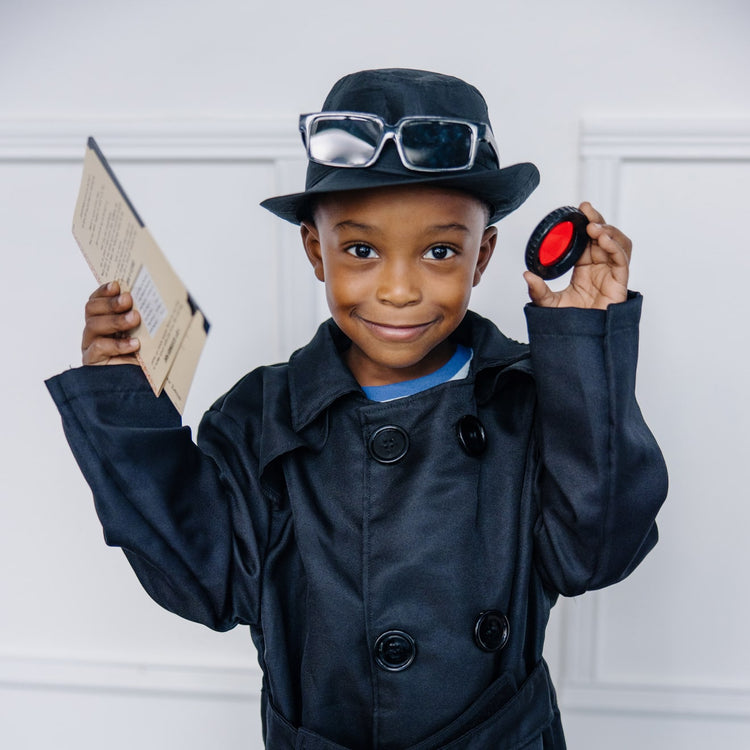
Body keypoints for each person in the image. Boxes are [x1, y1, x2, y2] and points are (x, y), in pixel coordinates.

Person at [47, 68, 668, 748]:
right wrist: (124, 407)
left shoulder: (527, 397)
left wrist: (582, 352)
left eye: (439, 251)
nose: (398, 290)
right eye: (362, 250)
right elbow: (203, 581)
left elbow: (597, 554)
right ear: (317, 251)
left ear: (481, 255)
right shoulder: (264, 415)